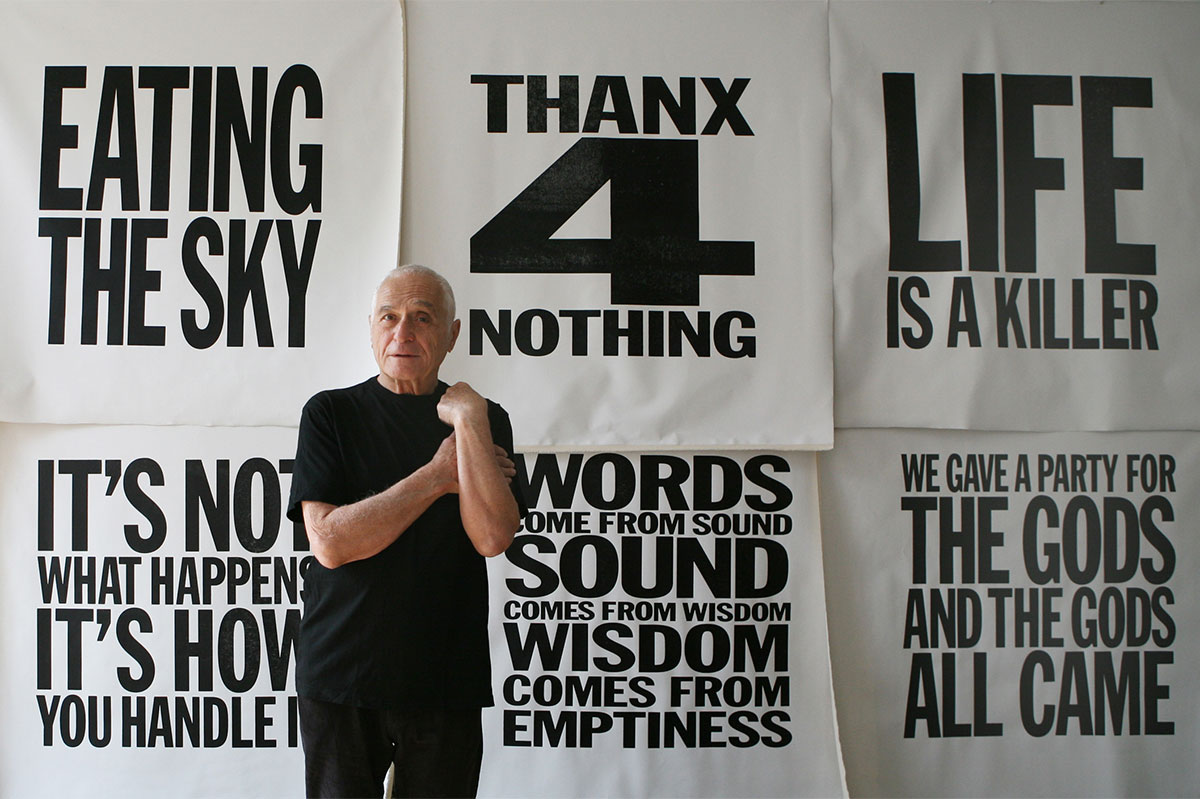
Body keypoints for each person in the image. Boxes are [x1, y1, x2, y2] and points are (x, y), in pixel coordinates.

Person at [285, 263, 525, 798]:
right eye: (389, 317)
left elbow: (492, 537)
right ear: (371, 327)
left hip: (445, 678)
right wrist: (441, 475)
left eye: (422, 317)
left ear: (452, 334)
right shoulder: (330, 413)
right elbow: (328, 542)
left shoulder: (486, 419)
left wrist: (467, 419)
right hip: (342, 675)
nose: (403, 333)